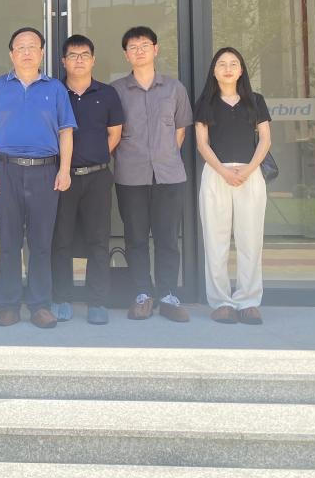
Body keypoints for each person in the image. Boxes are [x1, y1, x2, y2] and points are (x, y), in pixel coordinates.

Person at [0, 27, 76, 329]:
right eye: (20, 47)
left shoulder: (55, 89)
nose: (26, 52)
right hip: (5, 170)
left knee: (41, 243)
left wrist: (64, 169)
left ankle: (39, 305)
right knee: (9, 242)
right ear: (11, 54)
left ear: (42, 53)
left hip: (45, 172)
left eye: (32, 46)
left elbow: (66, 131)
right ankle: (7, 305)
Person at [111, 26, 194, 322]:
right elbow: (112, 132)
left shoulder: (174, 88)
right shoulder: (116, 90)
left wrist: (163, 155)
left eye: (145, 45)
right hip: (130, 176)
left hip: (169, 176)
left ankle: (168, 294)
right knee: (135, 237)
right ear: (126, 54)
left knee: (167, 238)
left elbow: (180, 129)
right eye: (133, 47)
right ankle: (142, 294)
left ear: (156, 49)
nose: (139, 51)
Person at [50, 35, 124, 325]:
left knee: (98, 240)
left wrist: (94, 155)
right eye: (73, 55)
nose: (79, 60)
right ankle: (62, 298)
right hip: (61, 177)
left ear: (93, 60)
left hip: (97, 177)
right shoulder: (55, 93)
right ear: (63, 61)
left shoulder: (107, 94)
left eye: (84, 55)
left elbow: (115, 133)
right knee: (61, 240)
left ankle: (97, 302)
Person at [194, 47, 271, 325]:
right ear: (214, 71)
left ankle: (248, 301)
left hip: (250, 175)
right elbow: (202, 144)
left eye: (233, 64)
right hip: (217, 175)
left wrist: (248, 170)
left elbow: (265, 139)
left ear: (241, 70)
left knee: (251, 240)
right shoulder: (205, 103)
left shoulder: (255, 101)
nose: (228, 68)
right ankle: (222, 302)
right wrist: (224, 172)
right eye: (222, 64)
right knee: (216, 241)